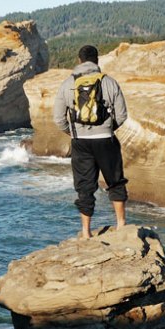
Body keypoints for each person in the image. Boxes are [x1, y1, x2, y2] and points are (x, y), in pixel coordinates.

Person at [53, 45, 129, 238]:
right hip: (105, 139)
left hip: (80, 142)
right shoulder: (109, 82)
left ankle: (86, 232)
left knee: (85, 186)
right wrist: (108, 129)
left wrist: (73, 133)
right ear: (97, 61)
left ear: (79, 61)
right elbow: (121, 115)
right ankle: (120, 224)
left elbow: (59, 118)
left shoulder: (67, 84)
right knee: (115, 181)